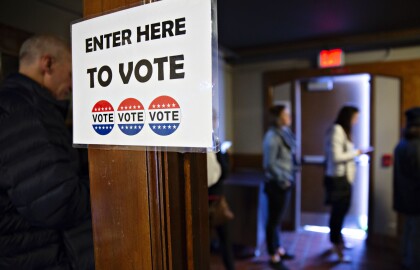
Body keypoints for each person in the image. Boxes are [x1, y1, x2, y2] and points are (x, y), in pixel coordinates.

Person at [0, 34, 94, 269]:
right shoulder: (25, 112)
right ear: (48, 64)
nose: (73, 85)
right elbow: (56, 203)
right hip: (38, 256)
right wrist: (109, 186)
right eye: (71, 74)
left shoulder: (21, 106)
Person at [324, 105, 367, 262]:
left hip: (344, 179)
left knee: (341, 212)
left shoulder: (343, 131)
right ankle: (336, 245)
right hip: (338, 179)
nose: (356, 121)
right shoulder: (337, 130)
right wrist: (357, 152)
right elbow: (336, 157)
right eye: (355, 117)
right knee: (338, 212)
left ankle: (338, 240)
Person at [263, 105, 296, 270]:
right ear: (277, 117)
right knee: (273, 220)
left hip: (285, 182)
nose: (289, 116)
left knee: (278, 220)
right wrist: (284, 180)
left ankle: (279, 248)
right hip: (277, 184)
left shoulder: (285, 132)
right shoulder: (272, 136)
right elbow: (269, 164)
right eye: (285, 114)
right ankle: (272, 255)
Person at [393, 107, 420, 270]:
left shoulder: (402, 143)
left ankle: (405, 259)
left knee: (409, 230)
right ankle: (412, 264)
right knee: (416, 234)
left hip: (405, 197)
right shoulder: (417, 146)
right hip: (416, 197)